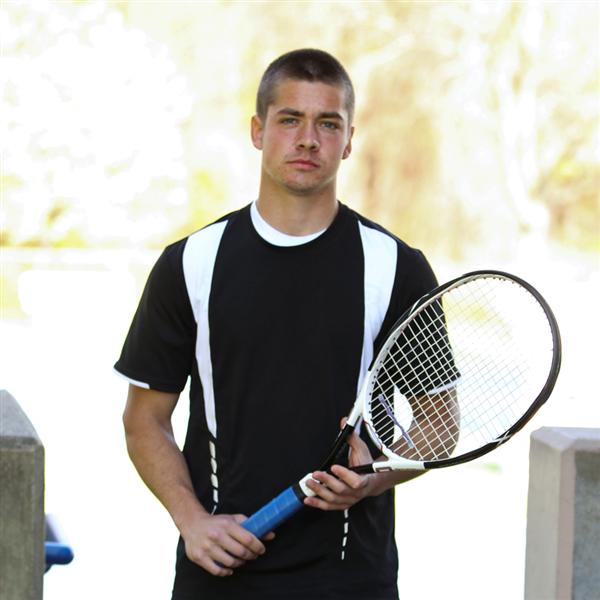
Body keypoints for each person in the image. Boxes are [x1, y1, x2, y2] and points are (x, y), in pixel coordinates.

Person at [115, 48, 439, 600]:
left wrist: (376, 477)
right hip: (219, 575)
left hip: (351, 579)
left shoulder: (396, 267)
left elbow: (440, 418)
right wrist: (193, 522)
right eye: (290, 119)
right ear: (258, 131)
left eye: (328, 123)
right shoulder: (192, 263)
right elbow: (145, 420)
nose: (308, 139)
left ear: (349, 139)